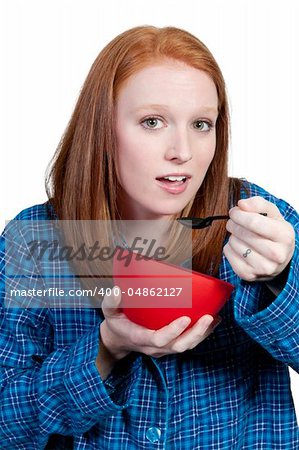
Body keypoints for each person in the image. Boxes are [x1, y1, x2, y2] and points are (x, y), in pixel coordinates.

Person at [0, 25, 298, 449]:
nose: (183, 150)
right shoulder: (37, 242)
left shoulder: (262, 221)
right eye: (153, 121)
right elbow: (6, 423)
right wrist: (106, 348)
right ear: (102, 129)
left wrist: (281, 280)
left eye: (201, 123)